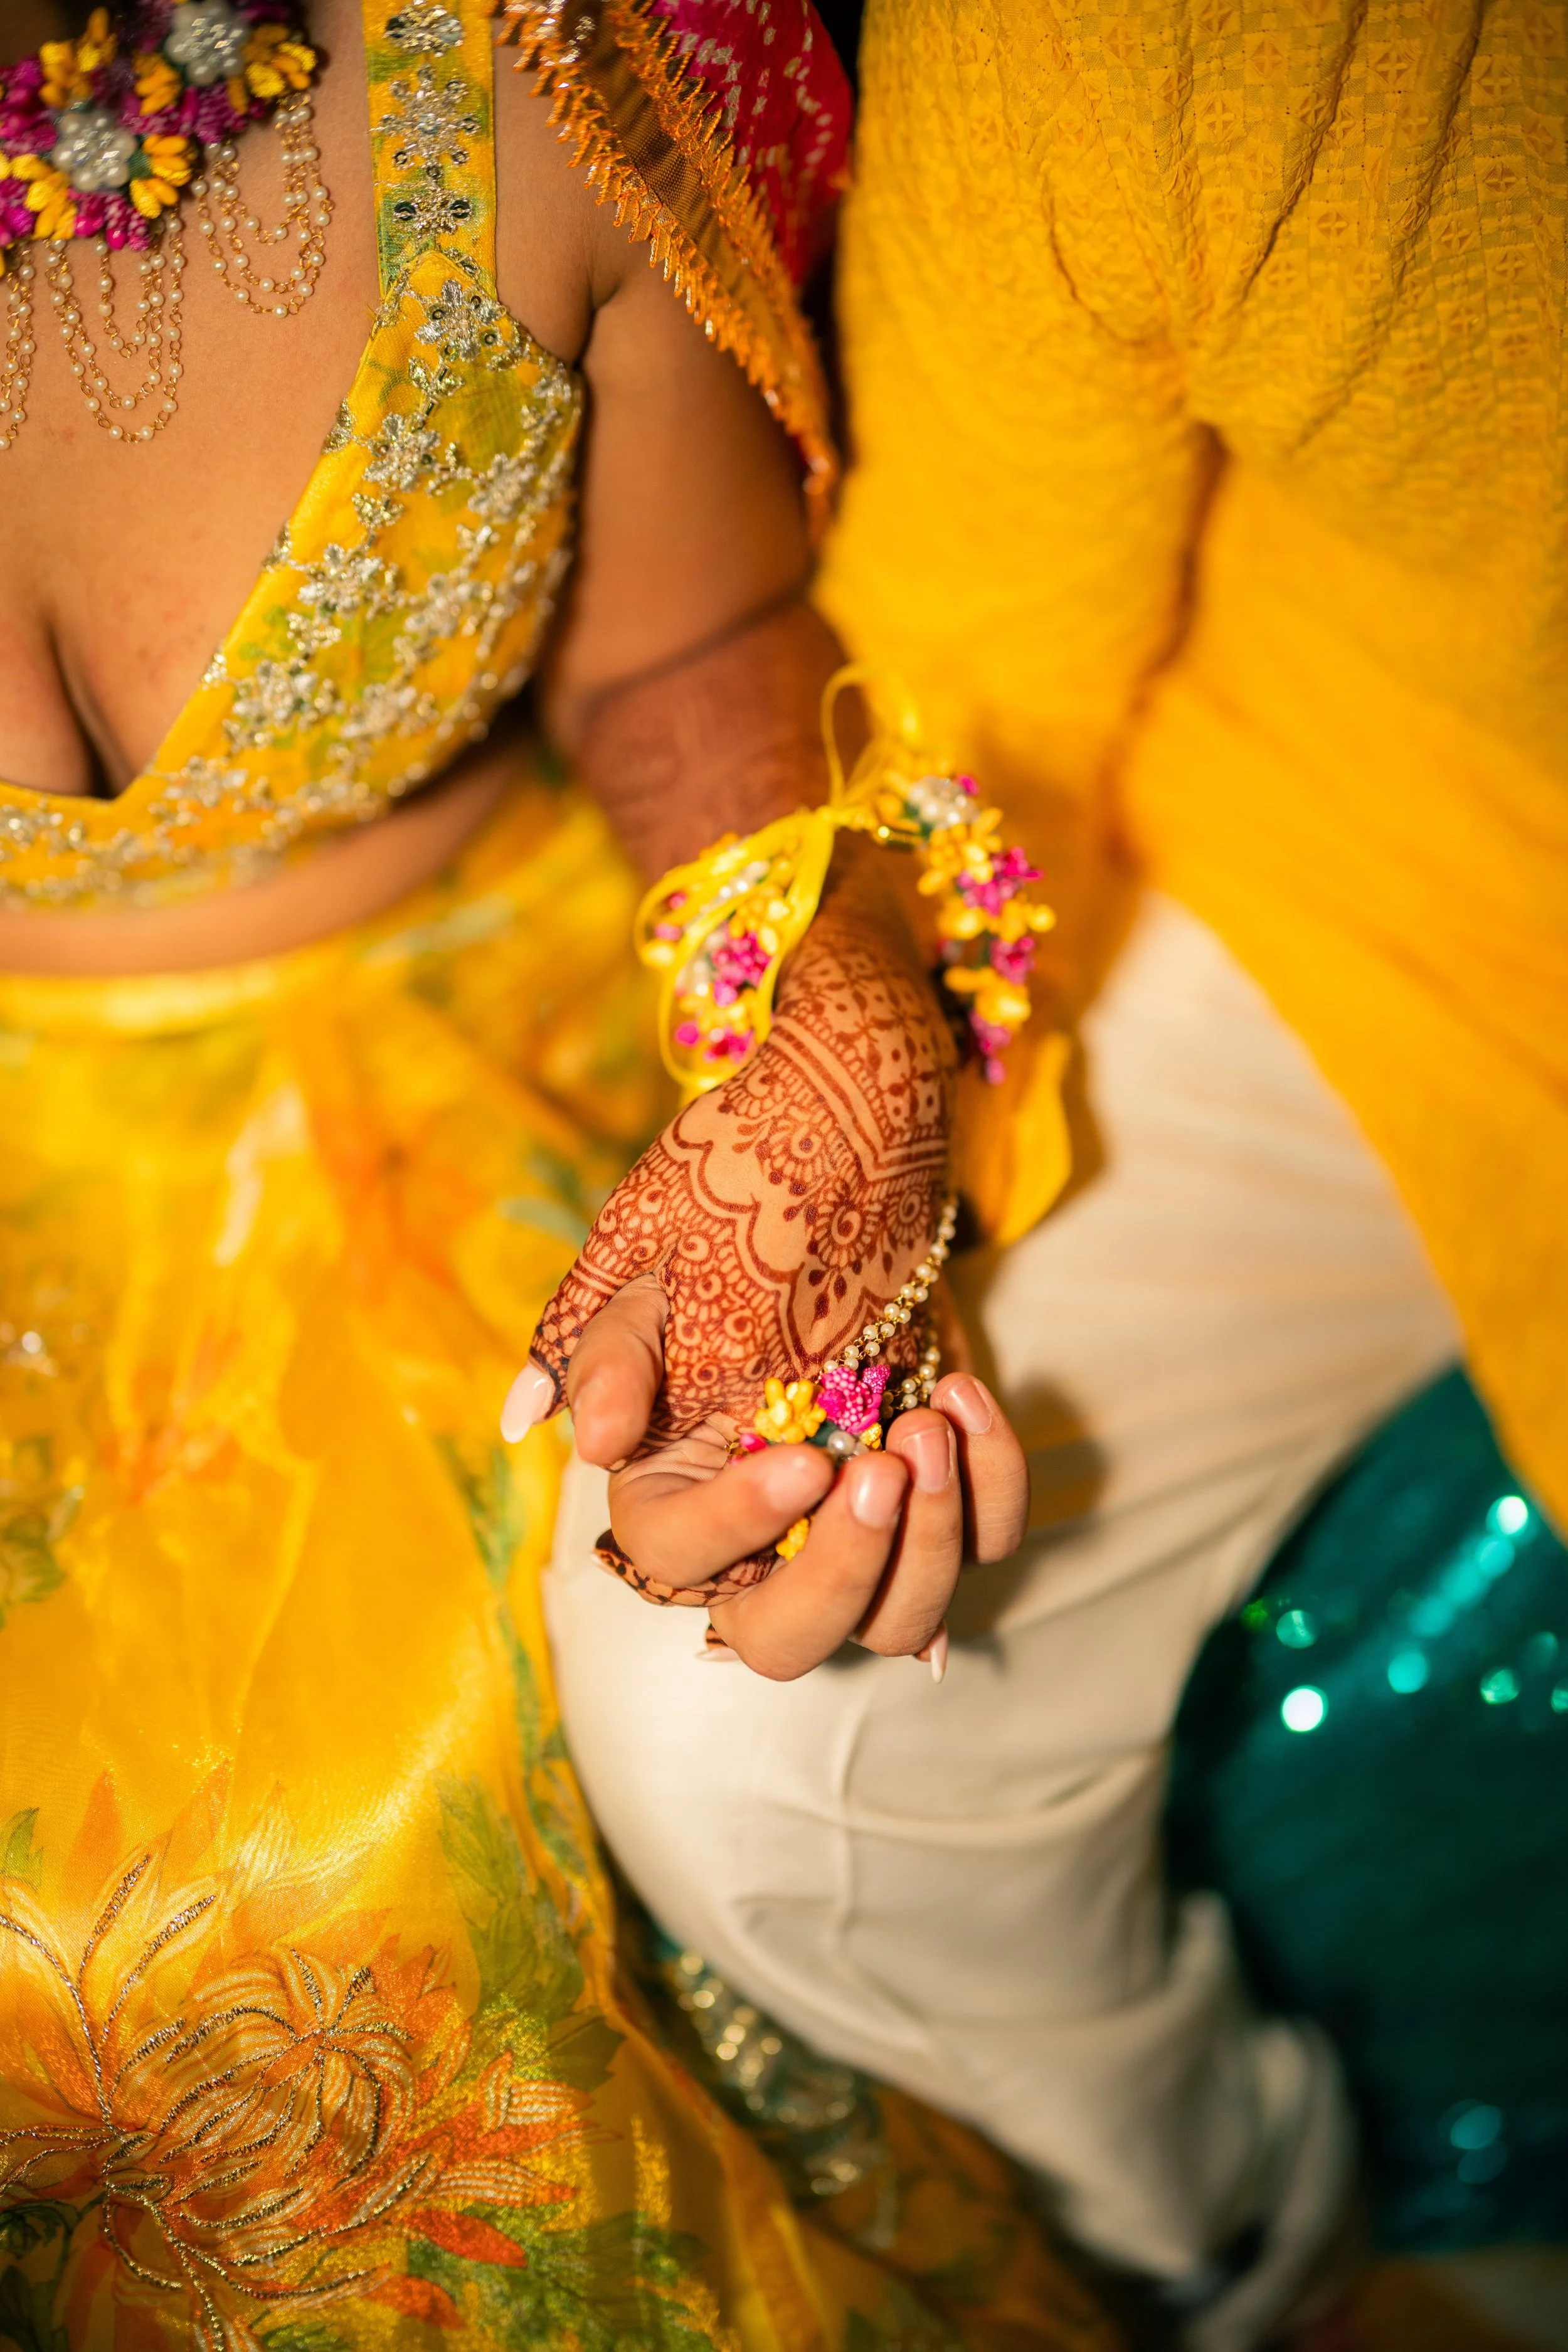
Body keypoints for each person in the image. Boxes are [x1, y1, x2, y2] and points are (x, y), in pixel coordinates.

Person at [0, 4, 1120, 2346]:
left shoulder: (516, 80)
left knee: (450, 1816)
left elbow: (684, 653)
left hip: (489, 1073)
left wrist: (828, 1061)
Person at [541, 2, 1568, 2347]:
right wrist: (864, 1051)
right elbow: (969, 655)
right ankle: (1237, 2228)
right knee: (735, 1696)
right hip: (1371, 878)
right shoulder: (1175, 40)